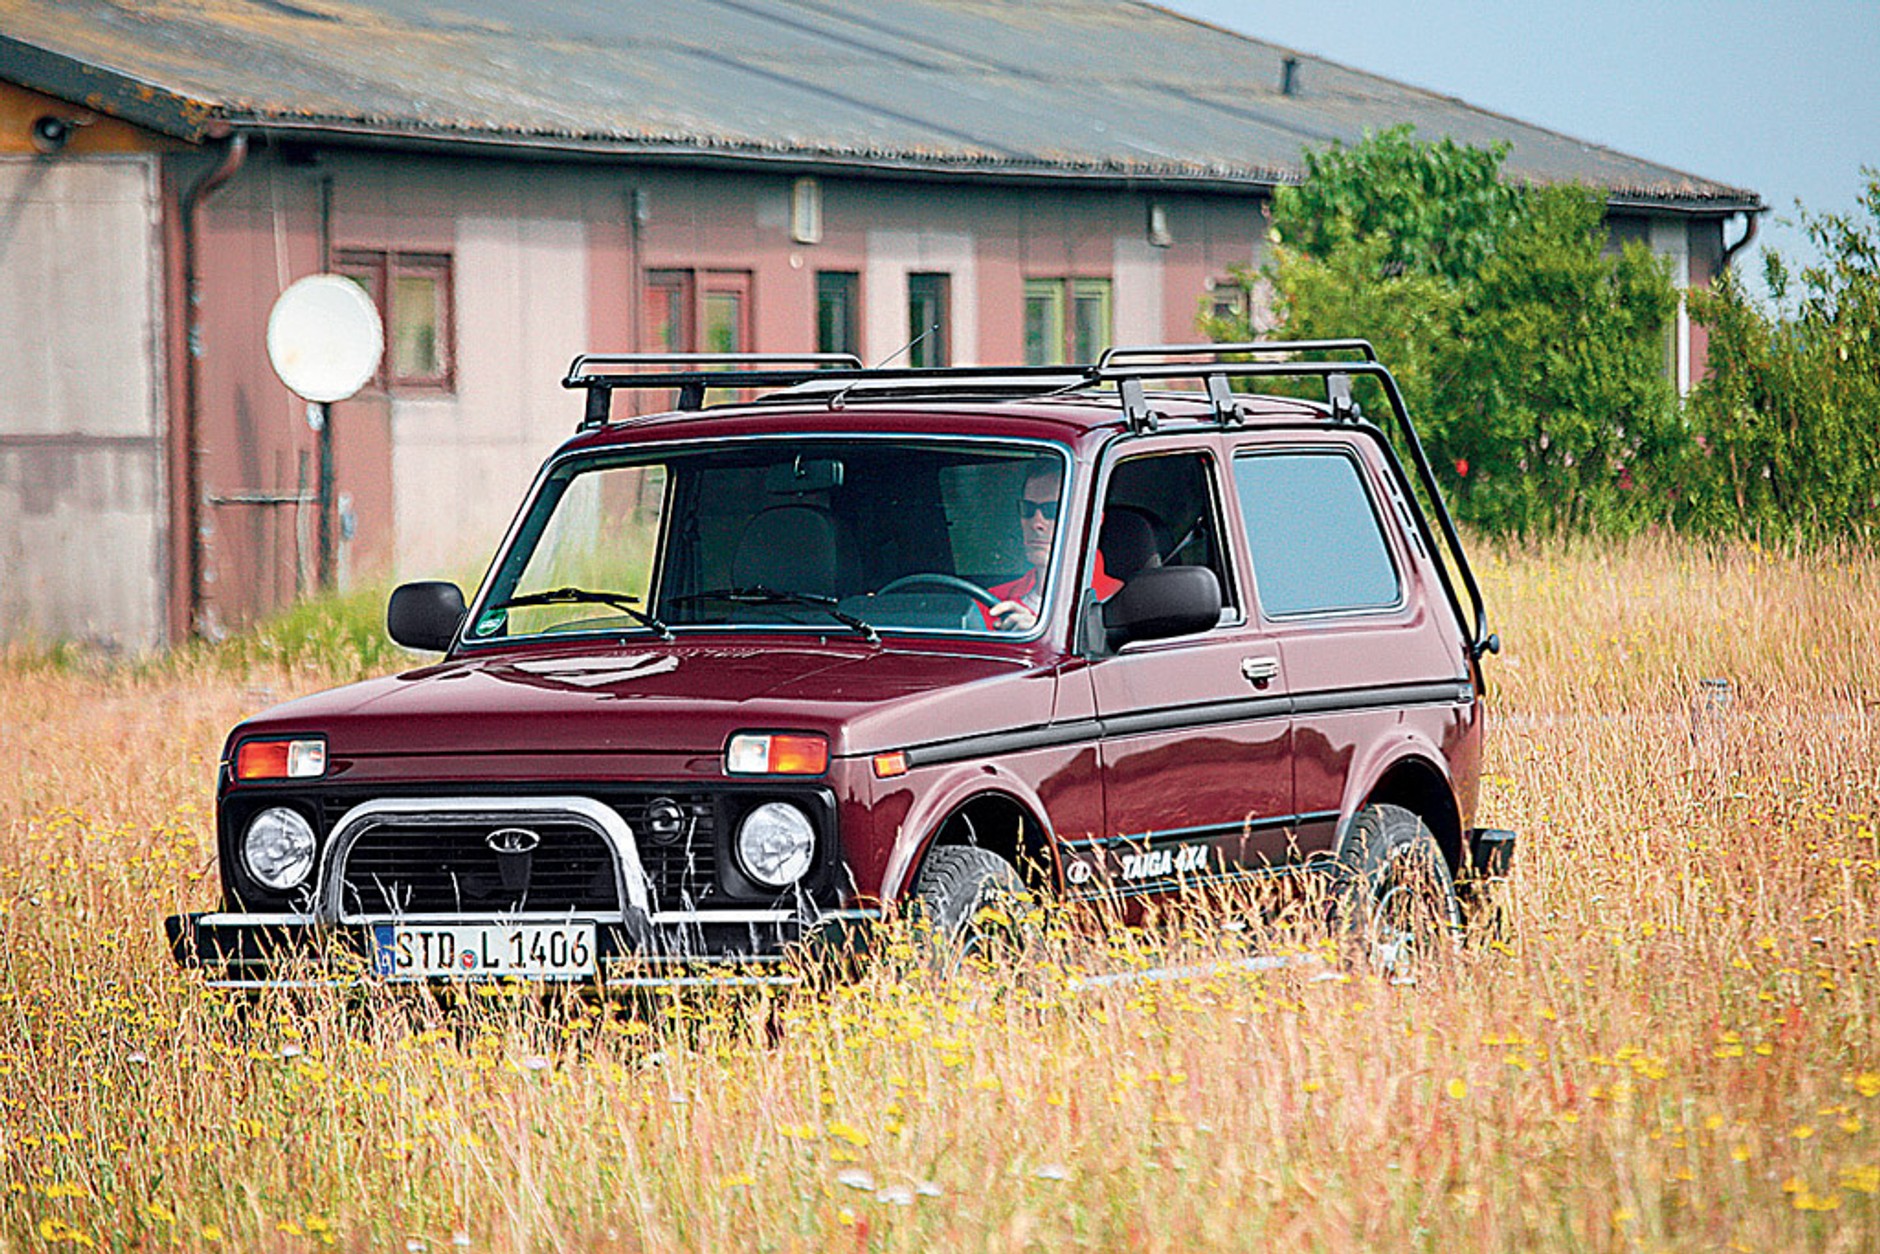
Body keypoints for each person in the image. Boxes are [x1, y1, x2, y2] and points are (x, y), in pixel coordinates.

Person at [985, 460, 1121, 632]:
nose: (1036, 523)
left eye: (1052, 511)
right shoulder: (992, 600)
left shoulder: (1120, 603)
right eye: (1028, 509)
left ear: (1093, 522)